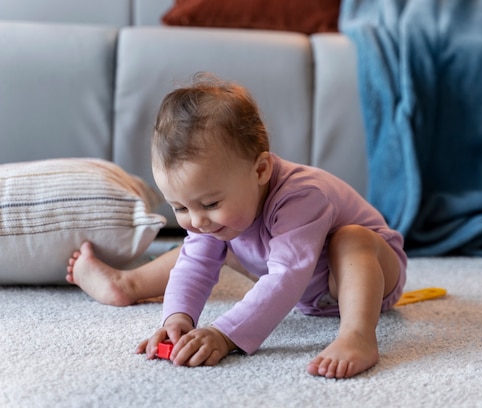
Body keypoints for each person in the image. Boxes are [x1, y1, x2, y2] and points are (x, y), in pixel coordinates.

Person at [66, 73, 407, 379]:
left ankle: (357, 335)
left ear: (260, 170)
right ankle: (130, 283)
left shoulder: (302, 195)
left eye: (210, 203)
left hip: (367, 273)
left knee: (351, 238)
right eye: (180, 207)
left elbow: (287, 275)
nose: (195, 219)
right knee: (207, 243)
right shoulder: (217, 213)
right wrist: (178, 319)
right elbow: (195, 265)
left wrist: (225, 333)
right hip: (302, 283)